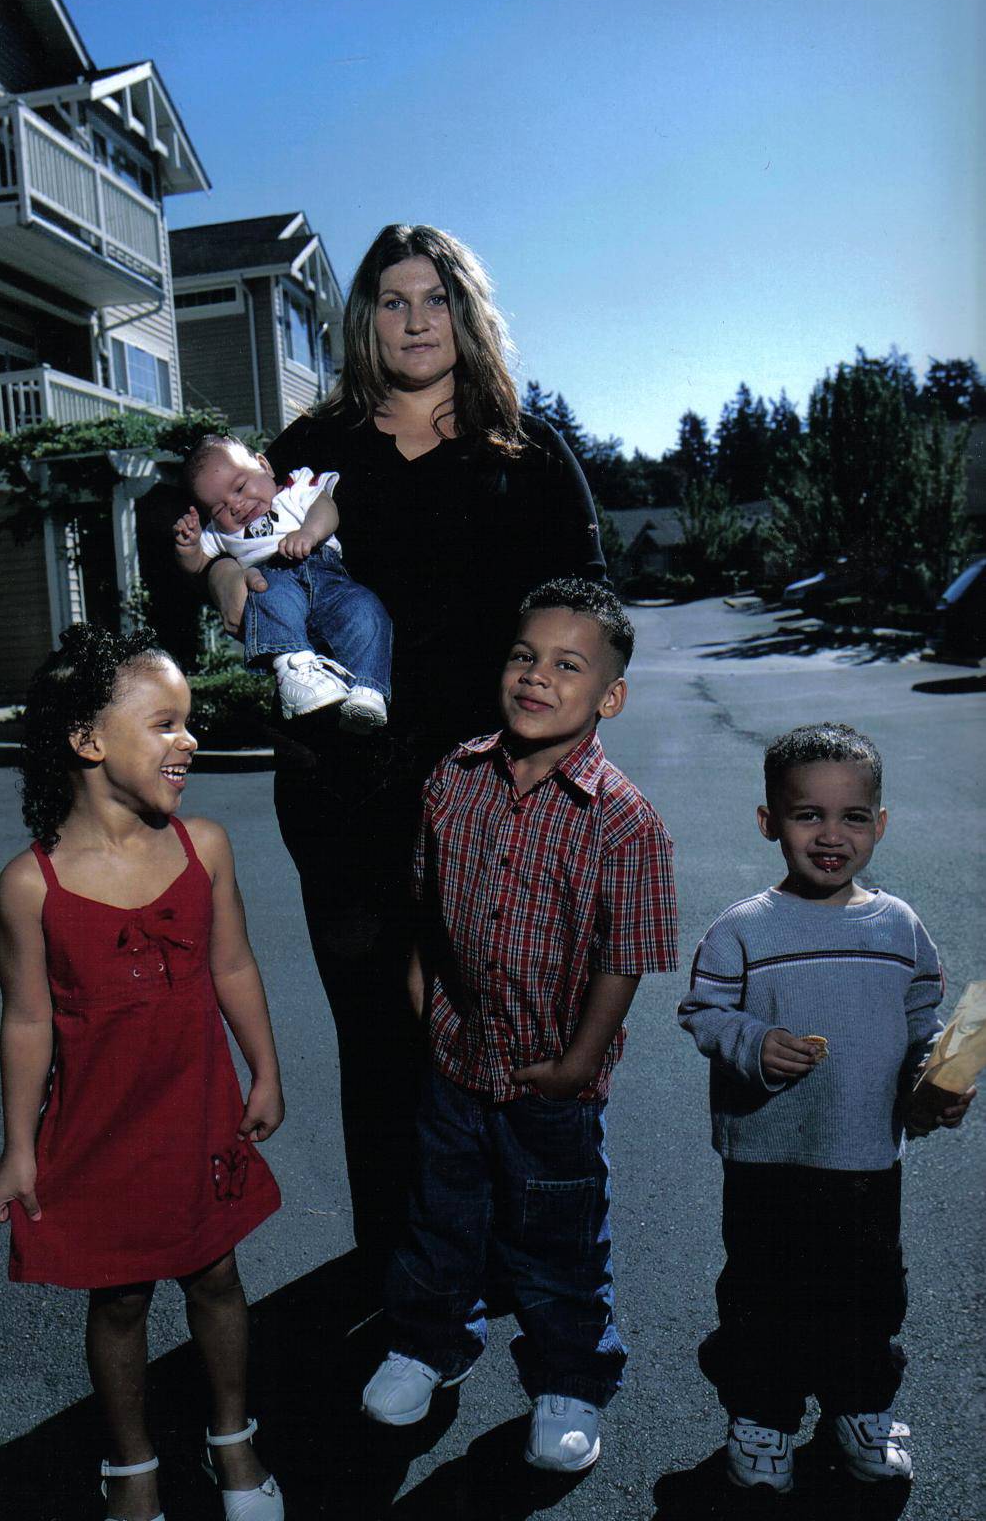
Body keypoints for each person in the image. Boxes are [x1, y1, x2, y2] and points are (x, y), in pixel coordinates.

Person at [205, 224, 606, 1290]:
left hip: (495, 789)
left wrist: (556, 748)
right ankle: (400, 1267)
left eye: (435, 298)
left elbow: (589, 606)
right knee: (380, 1029)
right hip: (346, 789)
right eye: (393, 300)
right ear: (365, 320)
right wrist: (223, 578)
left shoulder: (525, 447)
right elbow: (211, 526)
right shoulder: (316, 443)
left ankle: (508, 1255)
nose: (416, 320)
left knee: (498, 1018)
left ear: (465, 313)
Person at [361, 578, 677, 1474]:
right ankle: (429, 1342)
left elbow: (626, 956)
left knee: (557, 1239)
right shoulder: (453, 778)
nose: (537, 676)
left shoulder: (623, 820)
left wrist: (579, 1062)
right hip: (456, 1056)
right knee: (440, 1217)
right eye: (523, 656)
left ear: (609, 697)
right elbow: (422, 904)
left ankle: (570, 1378)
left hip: (551, 1076)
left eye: (568, 666)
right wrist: (422, 995)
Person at [0, 624, 285, 1521]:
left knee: (216, 1274)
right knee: (117, 1300)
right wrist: (17, 1148)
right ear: (88, 742)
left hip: (197, 1114)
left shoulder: (204, 846)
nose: (187, 740)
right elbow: (27, 1021)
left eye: (187, 722)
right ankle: (132, 1467)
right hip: (100, 1130)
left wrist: (264, 1069)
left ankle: (232, 1440)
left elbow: (233, 965)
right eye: (164, 724)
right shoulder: (30, 885)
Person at [678, 723, 975, 1495]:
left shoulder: (898, 927)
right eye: (807, 814)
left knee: (868, 1295)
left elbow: (921, 1024)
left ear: (880, 824)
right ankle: (762, 1417)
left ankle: (859, 1408)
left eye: (852, 817)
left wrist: (936, 1082)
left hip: (865, 1157)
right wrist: (753, 1044)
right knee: (762, 1295)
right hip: (766, 1155)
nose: (830, 835)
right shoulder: (742, 928)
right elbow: (703, 1013)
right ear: (768, 821)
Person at [173, 433, 392, 730]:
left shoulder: (295, 489)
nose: (236, 505)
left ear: (264, 465)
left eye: (240, 487)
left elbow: (325, 507)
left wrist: (310, 533)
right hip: (273, 576)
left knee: (365, 607)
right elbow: (199, 564)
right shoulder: (220, 533)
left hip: (328, 577)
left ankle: (367, 690)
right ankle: (294, 671)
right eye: (219, 508)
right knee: (270, 595)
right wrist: (188, 548)